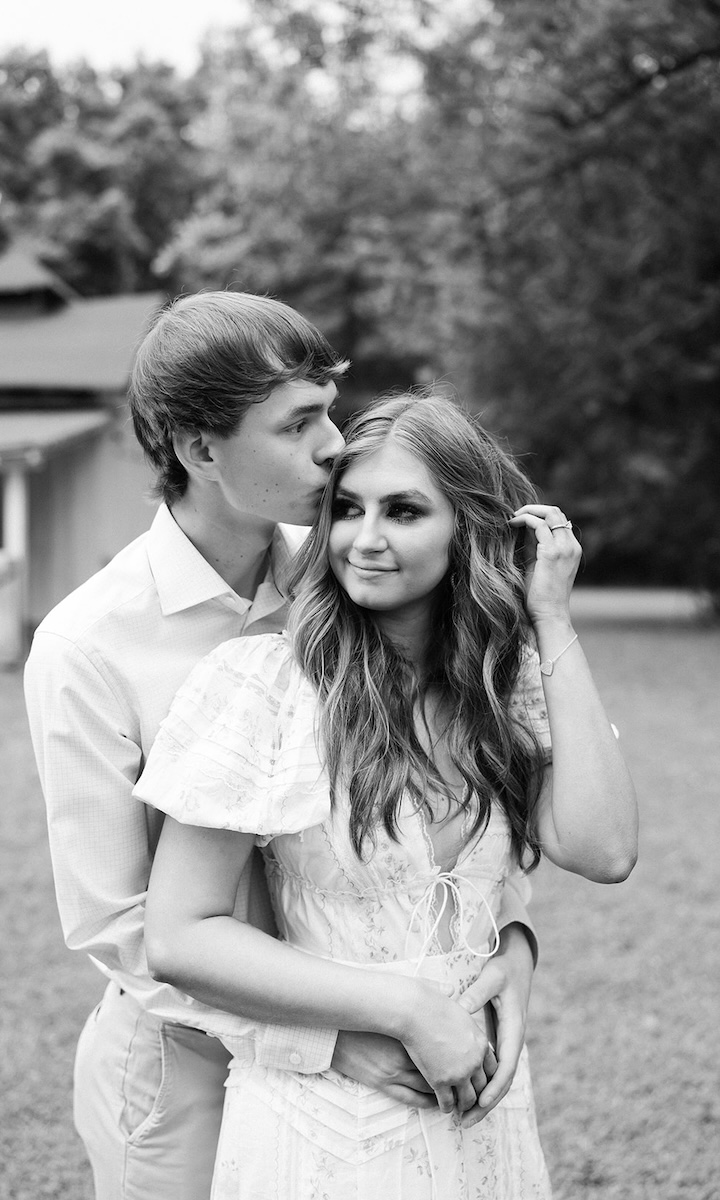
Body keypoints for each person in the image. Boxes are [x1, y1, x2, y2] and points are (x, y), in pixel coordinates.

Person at [25, 295, 541, 1200]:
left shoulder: (347, 570)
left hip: (381, 1061)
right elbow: (122, 925)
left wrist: (515, 943)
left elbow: (452, 784)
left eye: (329, 410)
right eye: (299, 423)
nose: (336, 444)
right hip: (183, 1069)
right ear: (199, 448)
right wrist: (329, 1040)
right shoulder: (90, 647)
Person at [134, 391, 638, 1199]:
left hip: (484, 1115)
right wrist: (406, 1009)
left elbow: (603, 850)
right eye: (348, 510)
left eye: (403, 511)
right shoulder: (261, 687)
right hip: (323, 1124)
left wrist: (548, 620)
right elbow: (181, 936)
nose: (364, 541)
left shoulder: (506, 691)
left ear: (466, 529)